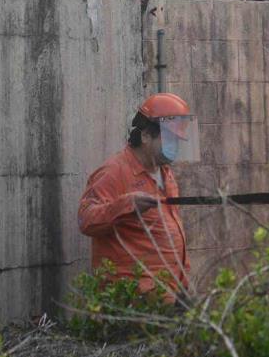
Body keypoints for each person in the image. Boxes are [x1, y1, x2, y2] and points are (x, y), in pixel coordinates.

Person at [77, 93, 200, 300]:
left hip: (170, 295)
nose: (175, 146)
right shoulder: (114, 171)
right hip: (133, 300)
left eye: (178, 140)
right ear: (145, 136)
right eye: (169, 139)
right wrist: (126, 205)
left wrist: (184, 283)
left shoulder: (165, 173)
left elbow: (172, 234)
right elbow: (85, 220)